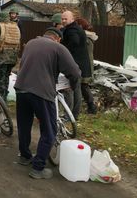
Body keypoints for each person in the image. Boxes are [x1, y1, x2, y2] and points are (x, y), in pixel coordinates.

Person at [14, 28, 80, 179]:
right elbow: (75, 72)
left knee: (24, 125)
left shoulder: (30, 43)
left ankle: (25, 156)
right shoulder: (58, 47)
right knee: (49, 131)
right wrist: (73, 86)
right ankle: (38, 168)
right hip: (41, 92)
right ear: (58, 38)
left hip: (21, 89)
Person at [61, 11, 92, 119]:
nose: (63, 21)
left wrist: (64, 51)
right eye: (62, 19)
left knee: (72, 89)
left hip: (75, 64)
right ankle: (74, 114)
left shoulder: (72, 30)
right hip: (80, 64)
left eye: (65, 19)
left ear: (72, 19)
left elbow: (74, 42)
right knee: (76, 89)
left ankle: (71, 115)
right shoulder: (77, 28)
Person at [0, 11, 21, 98]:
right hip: (12, 58)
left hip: (1, 58)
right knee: (6, 78)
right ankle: (4, 95)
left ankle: (1, 99)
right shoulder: (15, 27)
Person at [75, 18, 98, 114]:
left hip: (85, 66)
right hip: (85, 65)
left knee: (83, 86)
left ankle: (91, 106)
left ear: (81, 26)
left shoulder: (86, 38)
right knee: (83, 86)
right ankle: (91, 106)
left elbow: (83, 54)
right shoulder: (87, 37)